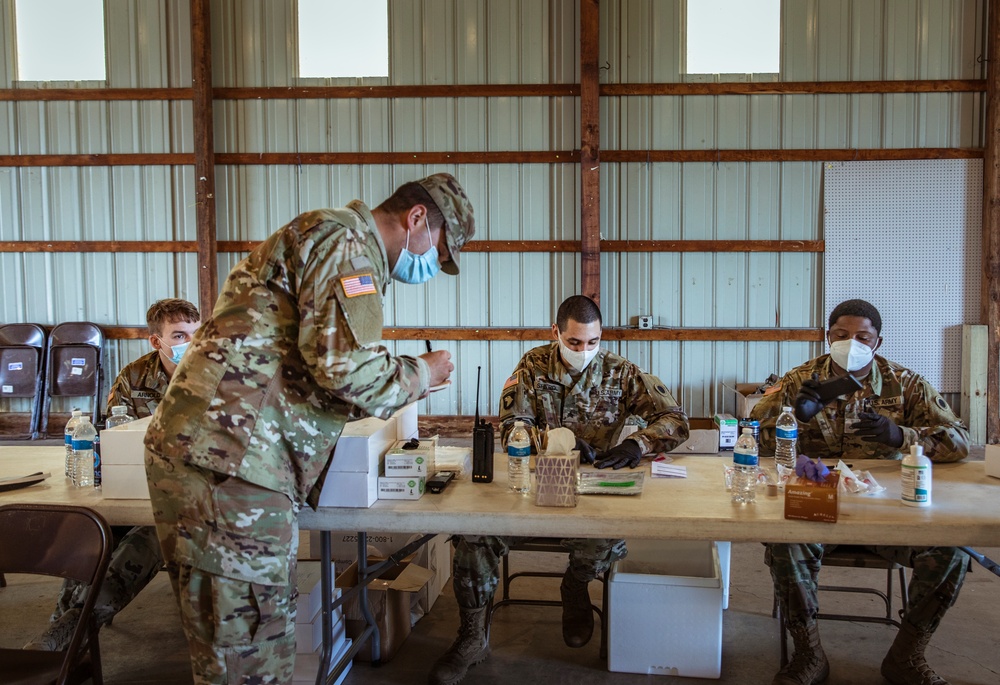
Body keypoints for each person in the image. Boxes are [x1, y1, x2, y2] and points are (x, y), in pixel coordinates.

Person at [144, 173, 475, 685]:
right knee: (248, 657)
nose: (434, 263)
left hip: (232, 459)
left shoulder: (334, 238)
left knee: (245, 645)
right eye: (440, 249)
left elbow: (321, 367)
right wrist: (419, 373)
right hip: (233, 463)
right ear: (416, 220)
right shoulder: (346, 242)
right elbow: (342, 367)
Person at [430, 295, 690, 685]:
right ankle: (471, 637)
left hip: (594, 487)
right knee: (473, 535)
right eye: (574, 343)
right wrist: (557, 439)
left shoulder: (621, 372)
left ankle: (575, 587)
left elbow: (674, 418)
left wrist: (637, 443)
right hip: (532, 485)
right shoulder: (533, 367)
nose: (584, 351)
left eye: (592, 342)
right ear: (556, 333)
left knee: (603, 538)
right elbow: (510, 427)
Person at [751, 299, 970, 685]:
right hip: (816, 506)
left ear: (878, 342)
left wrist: (902, 436)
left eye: (862, 337)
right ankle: (808, 653)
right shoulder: (801, 380)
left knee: (952, 550)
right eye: (841, 335)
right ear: (827, 336)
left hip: (888, 512)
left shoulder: (906, 384)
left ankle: (906, 655)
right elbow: (750, 438)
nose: (851, 342)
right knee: (784, 542)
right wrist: (794, 420)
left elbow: (960, 441)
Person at [24, 298, 200, 651]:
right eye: (180, 335)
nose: (191, 344)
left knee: (145, 540)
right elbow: (112, 436)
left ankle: (74, 631)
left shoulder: (215, 375)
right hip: (136, 482)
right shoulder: (134, 377)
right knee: (93, 532)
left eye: (197, 335)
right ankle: (63, 627)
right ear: (157, 341)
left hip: (189, 495)